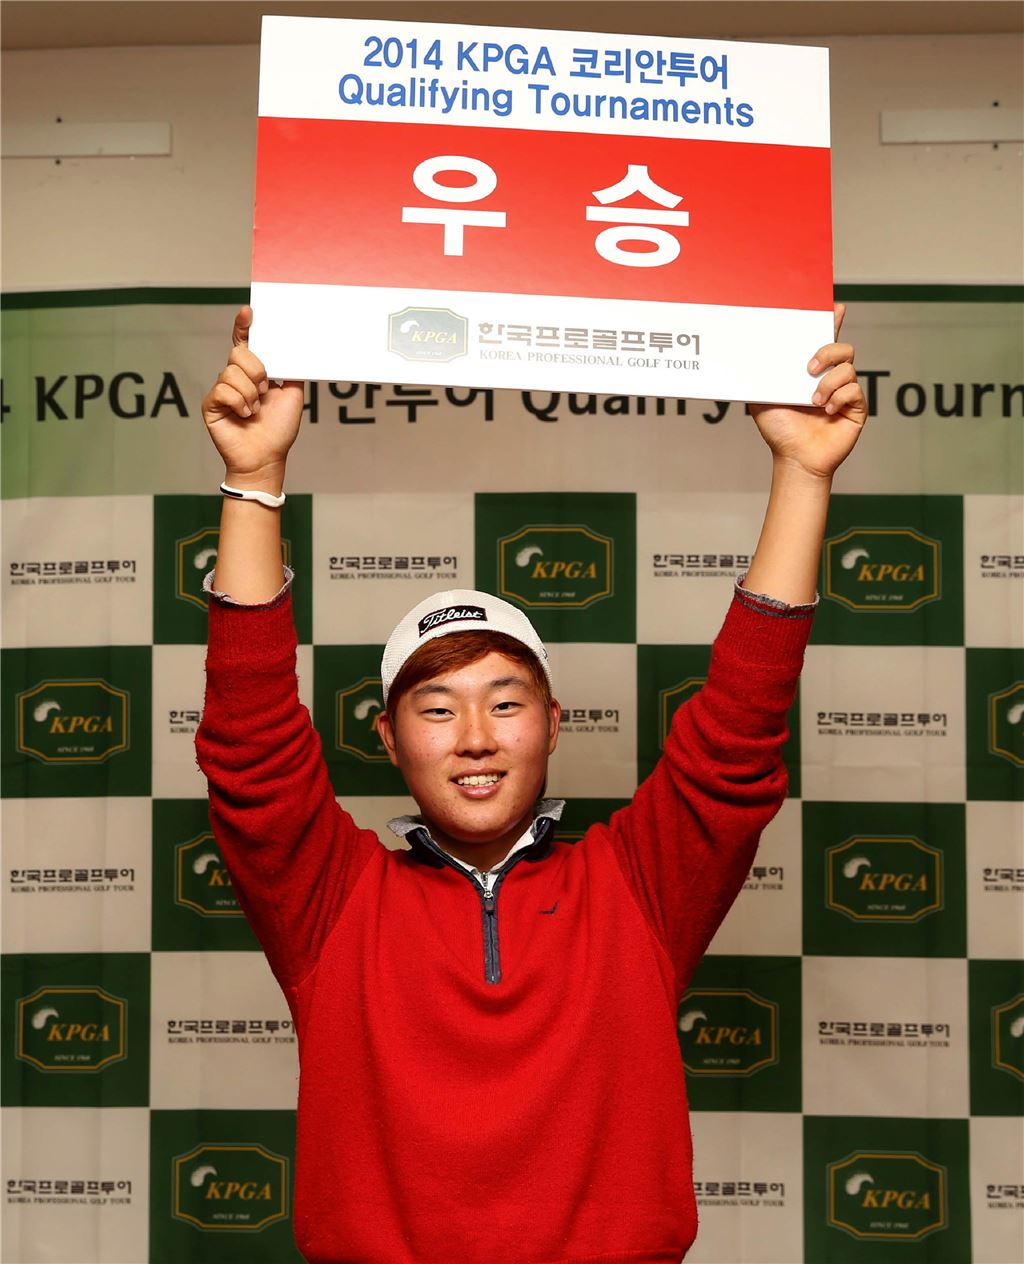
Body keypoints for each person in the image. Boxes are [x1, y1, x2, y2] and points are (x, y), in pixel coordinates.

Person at [196, 305, 867, 1264]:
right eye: (437, 708)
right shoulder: (335, 903)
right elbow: (252, 744)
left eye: (505, 703)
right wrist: (255, 478)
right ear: (388, 740)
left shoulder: (634, 889)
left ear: (553, 726)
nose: (475, 738)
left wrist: (803, 474)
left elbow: (735, 736)